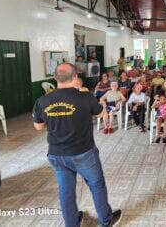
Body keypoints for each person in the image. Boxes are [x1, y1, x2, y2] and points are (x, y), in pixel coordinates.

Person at [32, 63, 121, 227]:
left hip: (56, 154)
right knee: (96, 185)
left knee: (66, 191)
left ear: (55, 78)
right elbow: (101, 113)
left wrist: (55, 118)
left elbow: (38, 127)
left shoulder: (43, 100)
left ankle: (72, 223)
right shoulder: (84, 97)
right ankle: (106, 221)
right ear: (75, 77)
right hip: (83, 153)